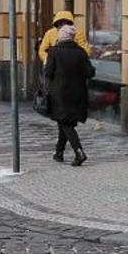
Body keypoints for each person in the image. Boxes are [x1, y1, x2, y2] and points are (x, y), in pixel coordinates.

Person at [42, 20, 93, 165]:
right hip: (77, 93)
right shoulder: (81, 53)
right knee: (64, 121)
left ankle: (79, 151)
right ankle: (59, 152)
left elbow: (48, 72)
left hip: (59, 93)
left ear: (61, 37)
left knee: (65, 123)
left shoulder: (54, 52)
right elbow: (90, 73)